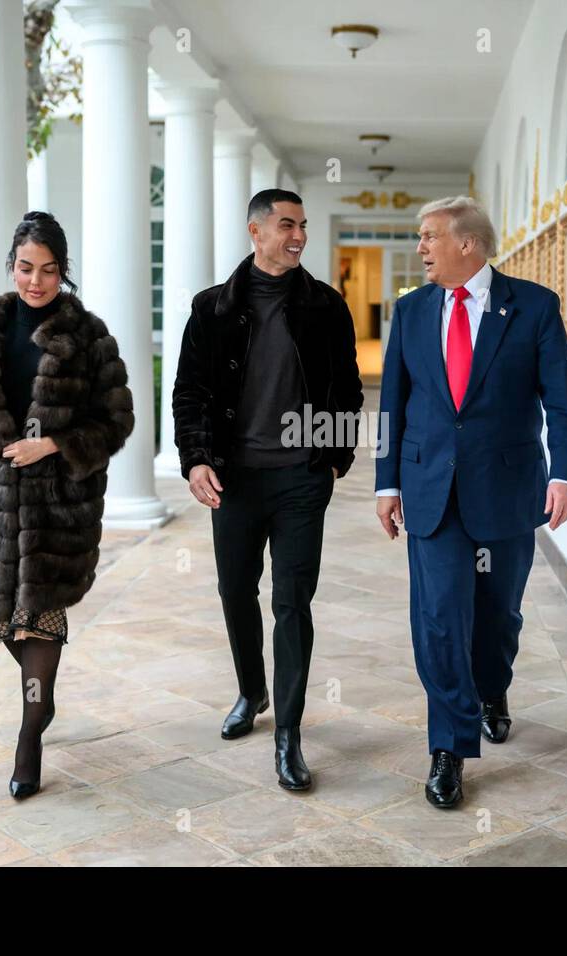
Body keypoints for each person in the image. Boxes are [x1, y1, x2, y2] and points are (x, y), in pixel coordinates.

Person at [375, 196, 567, 809]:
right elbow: (393, 404)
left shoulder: (533, 307)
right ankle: (449, 744)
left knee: (498, 616)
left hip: (507, 489)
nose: (420, 248)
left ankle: (492, 688)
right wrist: (387, 484)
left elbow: (563, 402)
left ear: (467, 243)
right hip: (431, 494)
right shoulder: (412, 311)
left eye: (429, 237)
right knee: (440, 618)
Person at [0, 211, 135, 800]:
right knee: (2, 619)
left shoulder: (88, 337)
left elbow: (117, 419)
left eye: (48, 270)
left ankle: (30, 734)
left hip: (58, 507)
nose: (35, 281)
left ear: (64, 272)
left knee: (41, 615)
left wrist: (56, 445)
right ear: (10, 265)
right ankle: (42, 697)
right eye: (25, 268)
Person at [172, 189, 363, 792]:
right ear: (255, 232)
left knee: (292, 602)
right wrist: (196, 459)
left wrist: (334, 458)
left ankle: (289, 733)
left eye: (302, 225)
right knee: (235, 592)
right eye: (287, 225)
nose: (299, 235)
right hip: (235, 478)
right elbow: (189, 394)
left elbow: (348, 390)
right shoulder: (212, 309)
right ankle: (251, 691)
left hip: (302, 477)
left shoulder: (326, 306)